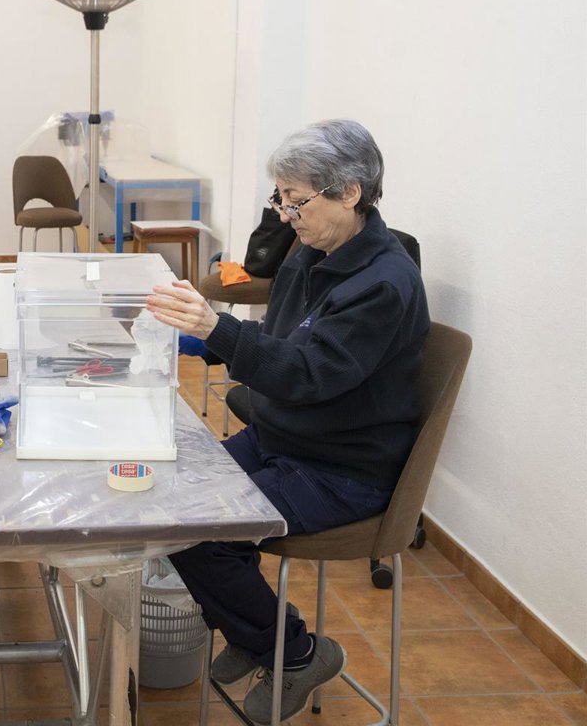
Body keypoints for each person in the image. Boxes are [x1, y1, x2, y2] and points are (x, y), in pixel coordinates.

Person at [146, 119, 429, 726]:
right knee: (171, 498)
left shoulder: (384, 283)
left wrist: (214, 326)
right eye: (280, 198)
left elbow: (308, 373)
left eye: (295, 200)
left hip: (342, 468)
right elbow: (281, 343)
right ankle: (257, 634)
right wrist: (191, 338)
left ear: (349, 192)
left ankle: (294, 652)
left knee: (200, 532)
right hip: (284, 436)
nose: (284, 215)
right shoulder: (312, 254)